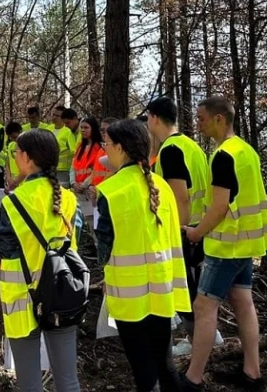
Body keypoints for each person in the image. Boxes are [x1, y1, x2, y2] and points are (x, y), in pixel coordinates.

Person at [181, 97, 267, 392]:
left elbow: (220, 207)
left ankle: (192, 379)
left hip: (226, 247)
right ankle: (252, 374)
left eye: (201, 118)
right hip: (245, 244)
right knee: (242, 302)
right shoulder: (246, 151)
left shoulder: (224, 155)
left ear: (219, 118)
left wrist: (196, 234)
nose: (198, 123)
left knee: (204, 306)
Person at [95, 119, 191, 392]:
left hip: (128, 293)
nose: (105, 148)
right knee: (164, 362)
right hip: (162, 288)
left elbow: (104, 250)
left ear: (121, 148)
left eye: (107, 144)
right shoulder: (161, 186)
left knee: (142, 368)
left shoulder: (111, 191)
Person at [0, 128, 81, 392]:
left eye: (16, 152)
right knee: (68, 379)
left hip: (22, 300)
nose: (15, 157)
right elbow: (71, 247)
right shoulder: (68, 198)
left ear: (28, 158)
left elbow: (8, 257)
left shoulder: (12, 202)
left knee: (29, 383)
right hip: (62, 293)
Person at [146, 96, 223, 357]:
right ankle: (209, 335)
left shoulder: (170, 150)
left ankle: (199, 340)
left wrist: (176, 232)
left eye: (147, 118)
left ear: (154, 117)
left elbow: (181, 196)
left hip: (186, 230)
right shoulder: (191, 145)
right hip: (200, 227)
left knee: (188, 290)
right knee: (198, 290)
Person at [70, 116, 104, 225]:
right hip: (78, 189)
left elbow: (98, 169)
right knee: (85, 220)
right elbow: (73, 166)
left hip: (91, 188)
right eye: (81, 127)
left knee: (95, 221)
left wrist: (85, 184)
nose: (83, 130)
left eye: (86, 127)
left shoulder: (99, 147)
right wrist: (73, 183)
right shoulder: (80, 146)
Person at [50, 106, 78, 187]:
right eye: (53, 114)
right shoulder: (48, 128)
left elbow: (74, 151)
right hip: (50, 168)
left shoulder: (68, 131)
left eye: (57, 116)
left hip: (63, 169)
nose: (54, 117)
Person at [4, 121, 24, 192]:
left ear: (21, 132)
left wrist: (15, 182)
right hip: (12, 182)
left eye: (15, 137)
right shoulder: (11, 145)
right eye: (12, 138)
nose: (14, 140)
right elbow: (7, 163)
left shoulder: (27, 146)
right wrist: (9, 178)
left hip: (24, 182)